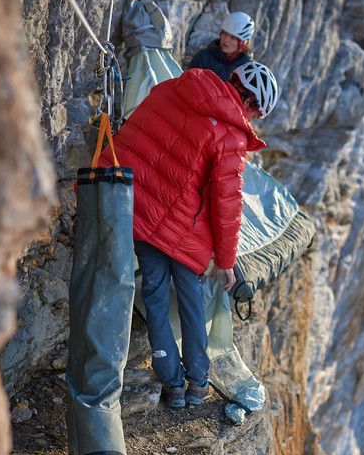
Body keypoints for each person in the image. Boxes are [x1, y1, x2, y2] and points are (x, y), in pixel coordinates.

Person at [99, 60, 279, 408]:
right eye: (257, 113)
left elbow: (133, 137)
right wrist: (226, 261)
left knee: (153, 293)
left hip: (141, 212)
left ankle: (172, 384)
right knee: (191, 302)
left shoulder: (173, 88)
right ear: (254, 108)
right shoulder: (231, 135)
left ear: (233, 79)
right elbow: (227, 204)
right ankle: (197, 384)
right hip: (187, 234)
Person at [188, 11, 255, 80]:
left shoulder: (249, 70)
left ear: (244, 43)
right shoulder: (203, 58)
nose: (226, 39)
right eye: (225, 33)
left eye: (233, 37)